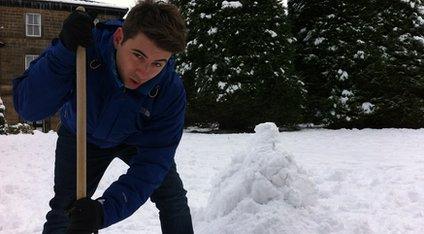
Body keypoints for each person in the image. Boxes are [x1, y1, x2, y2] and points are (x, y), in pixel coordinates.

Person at [13, 1, 193, 233]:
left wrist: (102, 212)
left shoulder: (170, 90)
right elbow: (29, 108)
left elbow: (152, 165)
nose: (144, 72)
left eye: (157, 63)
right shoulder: (84, 49)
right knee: (65, 210)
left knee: (172, 197)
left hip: (135, 138)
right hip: (81, 133)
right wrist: (64, 50)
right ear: (119, 38)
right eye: (138, 55)